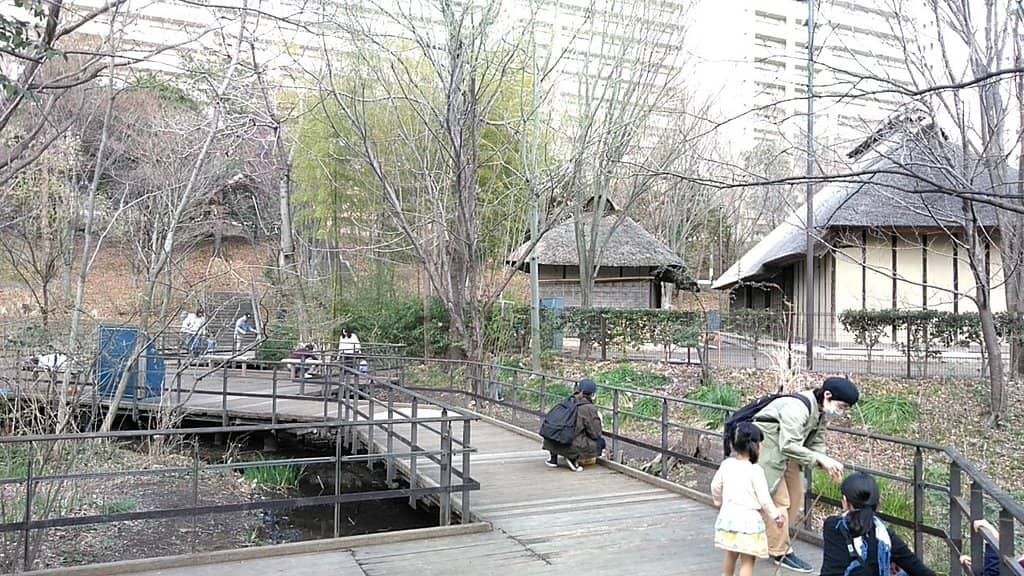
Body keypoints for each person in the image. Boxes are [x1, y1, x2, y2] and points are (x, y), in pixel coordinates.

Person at [754, 376, 860, 573]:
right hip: (767, 451)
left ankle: (772, 536)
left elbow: (817, 442)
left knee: (796, 497)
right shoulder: (797, 408)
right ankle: (780, 551)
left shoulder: (820, 411)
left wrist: (827, 463)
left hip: (787, 454)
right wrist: (821, 460)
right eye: (842, 406)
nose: (842, 411)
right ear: (827, 395)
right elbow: (788, 444)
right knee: (780, 503)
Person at [820, 473, 935, 576]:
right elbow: (920, 570)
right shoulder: (885, 536)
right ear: (877, 503)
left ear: (844, 501)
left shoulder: (832, 526)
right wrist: (890, 557)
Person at [711, 422, 786, 576]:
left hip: (728, 519)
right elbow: (764, 499)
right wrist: (776, 515)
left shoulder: (727, 465)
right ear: (756, 447)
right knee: (748, 560)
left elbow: (715, 486)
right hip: (748, 522)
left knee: (731, 554)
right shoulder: (755, 470)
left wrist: (718, 502)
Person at [543, 378, 604, 472]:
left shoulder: (567, 401)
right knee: (600, 443)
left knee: (562, 432)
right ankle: (572, 458)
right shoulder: (588, 408)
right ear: (592, 394)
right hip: (569, 444)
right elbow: (595, 433)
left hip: (551, 440)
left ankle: (553, 459)